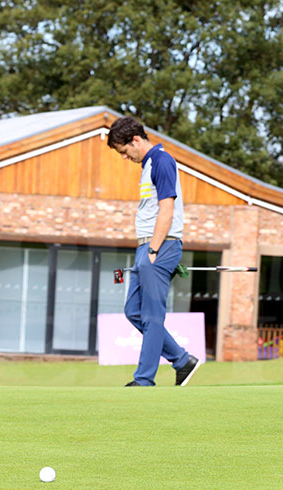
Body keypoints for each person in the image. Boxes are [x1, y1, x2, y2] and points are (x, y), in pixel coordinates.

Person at [106, 116, 200, 386]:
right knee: (133, 310)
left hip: (160, 244)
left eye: (125, 152)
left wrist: (154, 250)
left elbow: (167, 208)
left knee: (152, 316)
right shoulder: (148, 164)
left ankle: (144, 379)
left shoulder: (161, 160)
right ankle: (182, 361)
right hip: (147, 245)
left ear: (135, 140)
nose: (125, 157)